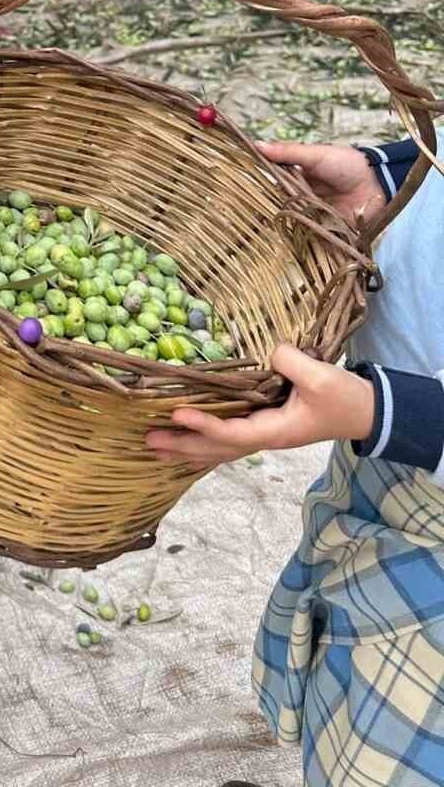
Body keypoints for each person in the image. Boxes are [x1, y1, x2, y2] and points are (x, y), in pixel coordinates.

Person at [147, 134, 444, 787]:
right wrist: (392, 178)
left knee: (402, 747)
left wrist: (384, 412)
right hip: (382, 472)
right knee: (354, 691)